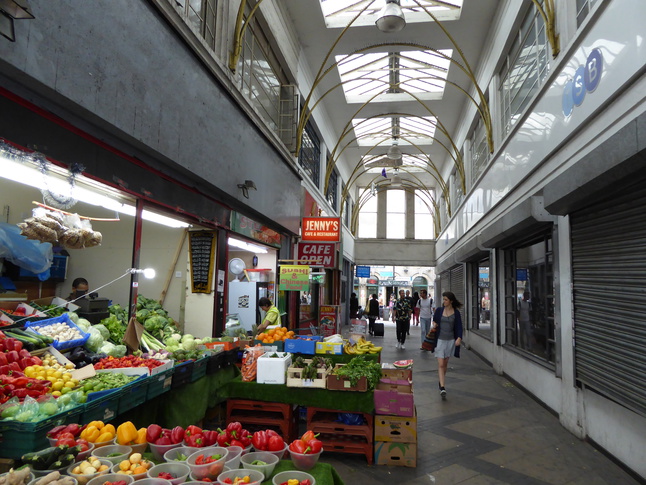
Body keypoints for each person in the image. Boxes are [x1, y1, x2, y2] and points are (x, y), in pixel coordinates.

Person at [431, 291, 463, 399]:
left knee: (445, 363)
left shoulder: (456, 313)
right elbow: (434, 321)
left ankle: (441, 381)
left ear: (451, 301)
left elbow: (459, 326)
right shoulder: (439, 311)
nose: (444, 301)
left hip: (450, 341)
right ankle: (442, 387)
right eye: (443, 299)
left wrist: (459, 337)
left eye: (446, 300)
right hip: (440, 340)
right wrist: (434, 324)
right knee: (440, 364)